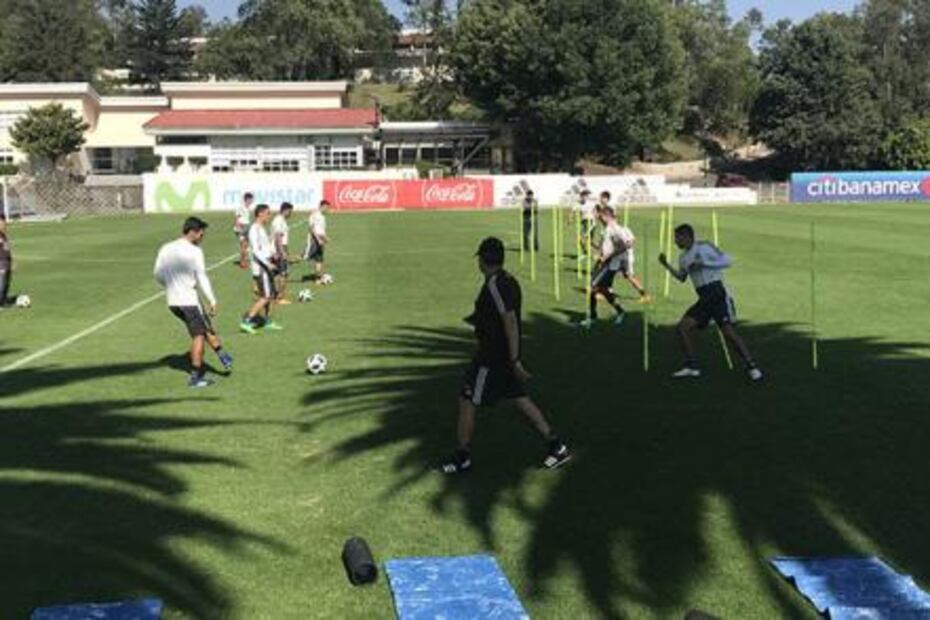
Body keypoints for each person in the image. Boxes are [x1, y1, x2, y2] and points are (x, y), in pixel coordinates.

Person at [440, 237, 571, 474]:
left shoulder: (495, 284)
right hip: (502, 355)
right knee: (520, 399)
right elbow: (500, 315)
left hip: (492, 358)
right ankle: (557, 447)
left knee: (467, 399)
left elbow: (509, 319)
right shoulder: (507, 280)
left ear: (484, 259)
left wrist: (514, 360)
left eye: (479, 257)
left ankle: (462, 456)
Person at [659, 224, 763, 382]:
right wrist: (666, 265)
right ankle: (692, 367)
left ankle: (752, 366)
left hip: (717, 293)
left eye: (677, 238)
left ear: (687, 237)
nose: (675, 242)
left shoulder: (705, 246)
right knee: (683, 328)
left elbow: (728, 261)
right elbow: (681, 278)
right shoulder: (683, 257)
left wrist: (704, 264)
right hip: (703, 297)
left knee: (728, 333)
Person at [153, 217, 233, 388]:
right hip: (189, 300)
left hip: (173, 302)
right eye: (201, 233)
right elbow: (202, 277)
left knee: (203, 327)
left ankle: (222, 354)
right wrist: (212, 299)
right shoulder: (195, 251)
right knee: (198, 336)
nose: (203, 237)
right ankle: (195, 377)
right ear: (193, 232)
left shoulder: (166, 248)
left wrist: (171, 286)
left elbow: (157, 273)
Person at [580, 204, 633, 328]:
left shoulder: (613, 229)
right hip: (603, 263)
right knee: (601, 290)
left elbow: (625, 246)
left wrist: (606, 257)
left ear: (606, 216)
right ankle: (620, 312)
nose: (598, 217)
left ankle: (593, 318)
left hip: (609, 264)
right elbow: (603, 248)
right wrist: (590, 243)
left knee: (593, 288)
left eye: (600, 215)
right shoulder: (606, 229)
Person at [241, 204, 283, 334]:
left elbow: (264, 247)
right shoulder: (254, 229)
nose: (269, 216)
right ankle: (247, 321)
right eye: (267, 213)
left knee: (270, 295)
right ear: (260, 214)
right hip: (261, 268)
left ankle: (267, 321)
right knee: (265, 297)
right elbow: (255, 251)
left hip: (266, 265)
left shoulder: (261, 228)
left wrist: (273, 254)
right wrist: (267, 263)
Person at [271, 202, 294, 304]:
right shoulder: (279, 221)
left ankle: (275, 295)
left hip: (276, 250)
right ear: (286, 210)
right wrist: (282, 252)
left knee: (276, 274)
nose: (291, 214)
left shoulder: (279, 220)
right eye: (290, 211)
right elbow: (278, 237)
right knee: (283, 274)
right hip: (278, 250)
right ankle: (280, 298)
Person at [305, 200, 330, 282]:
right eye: (326, 207)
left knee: (319, 259)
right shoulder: (315, 215)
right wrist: (319, 239)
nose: (327, 209)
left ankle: (318, 278)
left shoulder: (322, 216)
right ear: (322, 206)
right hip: (314, 241)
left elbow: (321, 230)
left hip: (320, 241)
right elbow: (312, 229)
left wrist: (325, 238)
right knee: (305, 257)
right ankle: (286, 260)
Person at [234, 192, 254, 269]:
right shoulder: (241, 207)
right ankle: (242, 263)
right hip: (242, 227)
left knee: (245, 246)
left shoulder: (247, 207)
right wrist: (238, 227)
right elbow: (237, 217)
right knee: (243, 246)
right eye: (251, 200)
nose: (251, 201)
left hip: (247, 227)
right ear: (247, 199)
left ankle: (244, 261)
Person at [576, 190, 596, 258]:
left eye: (585, 196)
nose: (583, 198)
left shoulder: (591, 204)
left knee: (584, 239)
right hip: (584, 223)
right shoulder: (580, 204)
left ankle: (593, 254)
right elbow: (581, 213)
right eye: (582, 196)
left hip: (590, 222)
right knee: (586, 241)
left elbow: (595, 212)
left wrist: (593, 222)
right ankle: (585, 253)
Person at [0, 217, 12, 307]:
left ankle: (3, 302)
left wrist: (12, 261)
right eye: (2, 225)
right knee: (1, 284)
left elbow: (7, 250)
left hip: (6, 262)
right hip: (1, 262)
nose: (4, 226)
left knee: (6, 283)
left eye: (5, 225)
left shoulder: (4, 237)